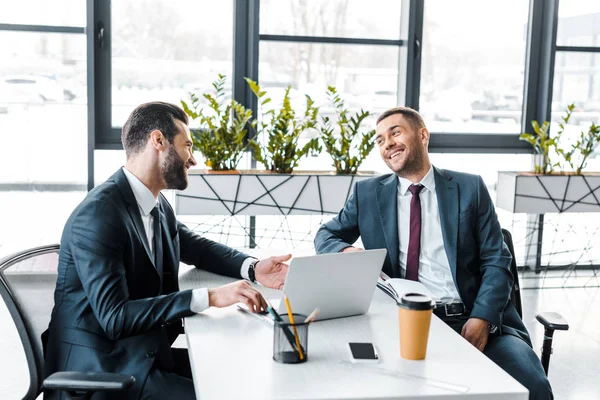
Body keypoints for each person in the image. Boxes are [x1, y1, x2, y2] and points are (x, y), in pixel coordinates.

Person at [43, 102, 290, 400]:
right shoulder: (98, 215)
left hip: (142, 353)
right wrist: (210, 297)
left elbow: (196, 247)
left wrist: (253, 267)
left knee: (247, 373)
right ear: (158, 141)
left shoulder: (154, 203)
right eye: (187, 145)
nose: (193, 159)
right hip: (103, 370)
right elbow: (115, 317)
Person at [314, 106, 552, 400]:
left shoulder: (469, 187)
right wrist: (347, 250)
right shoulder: (368, 193)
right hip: (401, 321)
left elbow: (496, 260)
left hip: (471, 317)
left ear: (423, 135)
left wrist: (482, 318)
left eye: (395, 132)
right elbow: (326, 235)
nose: (386, 143)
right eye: (379, 139)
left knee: (535, 389)